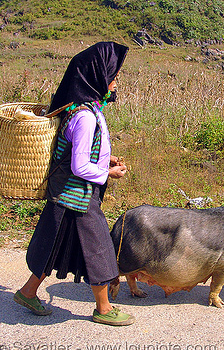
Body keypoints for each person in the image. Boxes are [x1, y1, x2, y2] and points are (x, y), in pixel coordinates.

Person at [13, 42, 134, 326]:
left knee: (53, 245)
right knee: (100, 248)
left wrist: (107, 159)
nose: (115, 82)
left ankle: (28, 291)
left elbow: (81, 152)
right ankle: (104, 309)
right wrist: (107, 174)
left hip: (69, 194)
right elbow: (79, 165)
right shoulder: (84, 116)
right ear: (97, 79)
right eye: (112, 76)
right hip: (76, 195)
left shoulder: (88, 109)